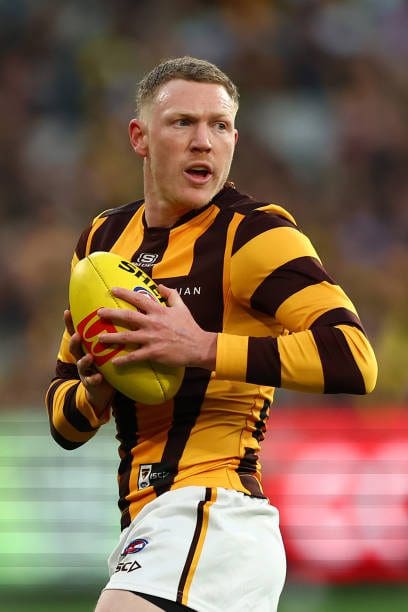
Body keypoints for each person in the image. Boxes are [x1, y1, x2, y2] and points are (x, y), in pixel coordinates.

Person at [45, 56, 378, 612]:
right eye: (182, 123)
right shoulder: (102, 243)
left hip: (213, 511)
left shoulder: (255, 233)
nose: (204, 142)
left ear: (234, 138)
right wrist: (98, 389)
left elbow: (354, 357)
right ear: (140, 137)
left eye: (219, 126)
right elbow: (63, 418)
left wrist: (198, 346)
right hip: (149, 521)